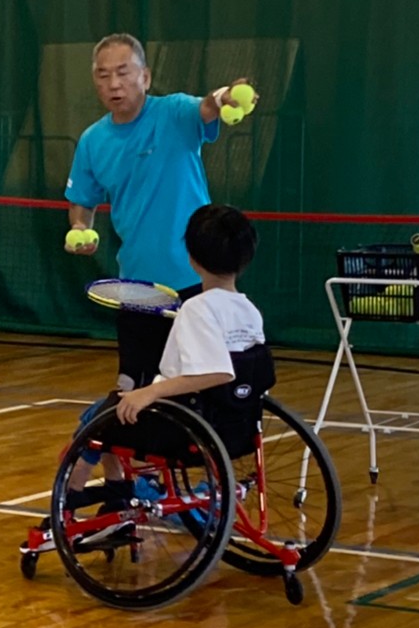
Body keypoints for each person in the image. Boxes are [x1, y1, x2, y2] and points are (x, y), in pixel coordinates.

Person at [62, 33, 249, 489]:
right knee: (131, 390)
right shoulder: (92, 141)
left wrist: (225, 97)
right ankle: (122, 486)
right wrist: (80, 228)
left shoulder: (174, 113)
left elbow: (208, 106)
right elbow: (82, 200)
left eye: (124, 72)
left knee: (206, 387)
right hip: (137, 291)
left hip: (197, 285)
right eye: (103, 75)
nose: (114, 83)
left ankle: (211, 487)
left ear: (144, 76)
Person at [43, 204, 267, 549]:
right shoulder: (249, 309)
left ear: (191, 258)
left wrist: (147, 394)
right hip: (235, 425)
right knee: (112, 410)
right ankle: (116, 495)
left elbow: (218, 372)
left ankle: (69, 506)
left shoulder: (198, 308)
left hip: (177, 424)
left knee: (98, 418)